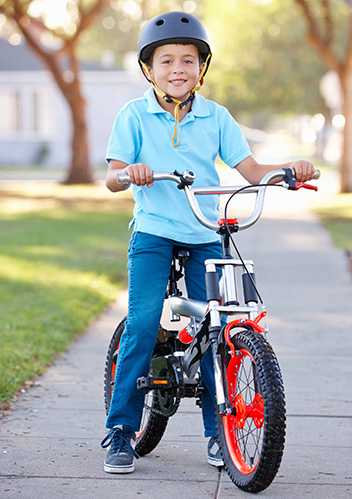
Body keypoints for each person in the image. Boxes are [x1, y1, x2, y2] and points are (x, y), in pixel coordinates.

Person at [101, 11, 316, 474]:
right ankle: (120, 428)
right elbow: (113, 176)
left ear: (202, 68)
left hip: (204, 232)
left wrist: (288, 172)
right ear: (149, 69)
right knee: (142, 322)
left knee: (216, 330)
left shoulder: (215, 116)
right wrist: (129, 173)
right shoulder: (134, 114)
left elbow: (251, 171)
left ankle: (218, 432)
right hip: (155, 230)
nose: (178, 69)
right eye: (166, 61)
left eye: (188, 60)